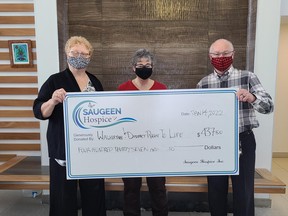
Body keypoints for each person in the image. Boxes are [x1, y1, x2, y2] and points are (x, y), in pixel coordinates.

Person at [196, 38, 274, 216]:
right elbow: (198, 117)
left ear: (233, 55)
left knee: (244, 190)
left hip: (243, 140)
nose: (221, 57)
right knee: (215, 190)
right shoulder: (203, 83)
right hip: (214, 142)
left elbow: (269, 106)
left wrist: (252, 97)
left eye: (225, 53)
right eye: (216, 54)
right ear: (210, 56)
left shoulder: (248, 77)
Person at [33, 36, 106, 216]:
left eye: (83, 53)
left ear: (90, 56)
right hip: (63, 151)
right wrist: (52, 101)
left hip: (91, 150)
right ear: (67, 54)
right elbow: (39, 111)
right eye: (75, 52)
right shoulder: (55, 81)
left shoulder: (95, 82)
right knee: (63, 198)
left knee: (94, 195)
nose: (79, 56)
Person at [118, 48, 169, 216]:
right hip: (130, 148)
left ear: (153, 67)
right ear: (133, 68)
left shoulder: (162, 89)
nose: (144, 67)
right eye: (140, 65)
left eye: (148, 64)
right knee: (131, 189)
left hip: (156, 148)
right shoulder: (122, 89)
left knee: (158, 189)